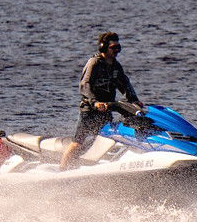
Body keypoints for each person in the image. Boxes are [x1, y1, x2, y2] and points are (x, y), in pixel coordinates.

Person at [60, 31, 144, 171]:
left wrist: (134, 100)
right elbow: (85, 85)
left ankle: (95, 166)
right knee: (78, 142)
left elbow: (124, 84)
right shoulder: (94, 63)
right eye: (113, 47)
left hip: (106, 109)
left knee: (106, 139)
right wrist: (94, 102)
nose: (117, 50)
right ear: (104, 47)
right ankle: (62, 169)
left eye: (119, 47)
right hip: (90, 110)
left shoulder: (116, 66)